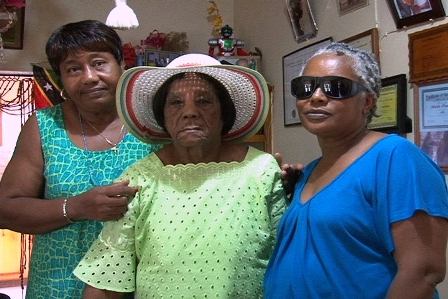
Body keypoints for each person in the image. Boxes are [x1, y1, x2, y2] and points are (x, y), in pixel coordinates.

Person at [73, 53, 288, 298]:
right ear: (162, 117)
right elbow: (107, 279)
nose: (189, 112)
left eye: (204, 101)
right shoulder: (140, 178)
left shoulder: (260, 170)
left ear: (224, 113)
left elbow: (288, 260)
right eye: (176, 103)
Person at [264, 42, 448, 298]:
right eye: (306, 87)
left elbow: (423, 272)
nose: (316, 96)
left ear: (368, 102)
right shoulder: (311, 171)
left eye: (337, 88)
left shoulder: (396, 157)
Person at [0, 20, 161, 298]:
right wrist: (76, 207)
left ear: (121, 65)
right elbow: (5, 209)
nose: (89, 77)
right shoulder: (44, 126)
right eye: (74, 69)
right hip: (57, 285)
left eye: (99, 63)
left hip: (141, 286)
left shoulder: (153, 124)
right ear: (61, 78)